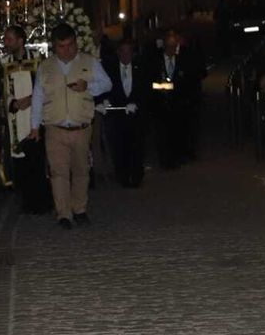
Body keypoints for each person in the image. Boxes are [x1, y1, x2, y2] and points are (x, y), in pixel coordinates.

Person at [30, 23, 112, 228]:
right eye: (61, 46)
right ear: (54, 47)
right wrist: (34, 126)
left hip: (81, 127)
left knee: (81, 170)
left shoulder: (89, 62)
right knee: (58, 172)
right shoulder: (45, 67)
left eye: (70, 45)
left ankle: (80, 208)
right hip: (55, 127)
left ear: (76, 43)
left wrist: (88, 87)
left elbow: (107, 84)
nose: (67, 50)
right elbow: (38, 97)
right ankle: (63, 213)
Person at [0, 24, 51, 213]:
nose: (6, 42)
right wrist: (13, 103)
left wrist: (32, 100)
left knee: (36, 158)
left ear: (20, 41)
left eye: (9, 39)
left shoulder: (37, 59)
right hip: (15, 118)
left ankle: (41, 201)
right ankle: (27, 200)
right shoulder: (4, 63)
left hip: (35, 115)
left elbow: (45, 84)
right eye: (5, 39)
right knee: (20, 161)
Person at [98, 37, 149, 187]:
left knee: (137, 146)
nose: (126, 56)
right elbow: (103, 87)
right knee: (119, 147)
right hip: (117, 116)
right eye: (123, 53)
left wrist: (136, 102)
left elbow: (146, 89)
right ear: (118, 53)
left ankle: (136, 175)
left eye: (129, 53)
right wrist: (105, 101)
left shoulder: (141, 67)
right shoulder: (109, 67)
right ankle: (123, 176)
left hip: (136, 115)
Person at [151, 29, 202, 168]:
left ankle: (178, 156)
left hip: (179, 104)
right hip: (162, 103)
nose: (172, 50)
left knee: (178, 132)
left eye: (174, 47)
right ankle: (165, 159)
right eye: (169, 47)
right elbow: (151, 83)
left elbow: (189, 81)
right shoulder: (156, 61)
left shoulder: (183, 60)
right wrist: (164, 87)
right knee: (162, 134)